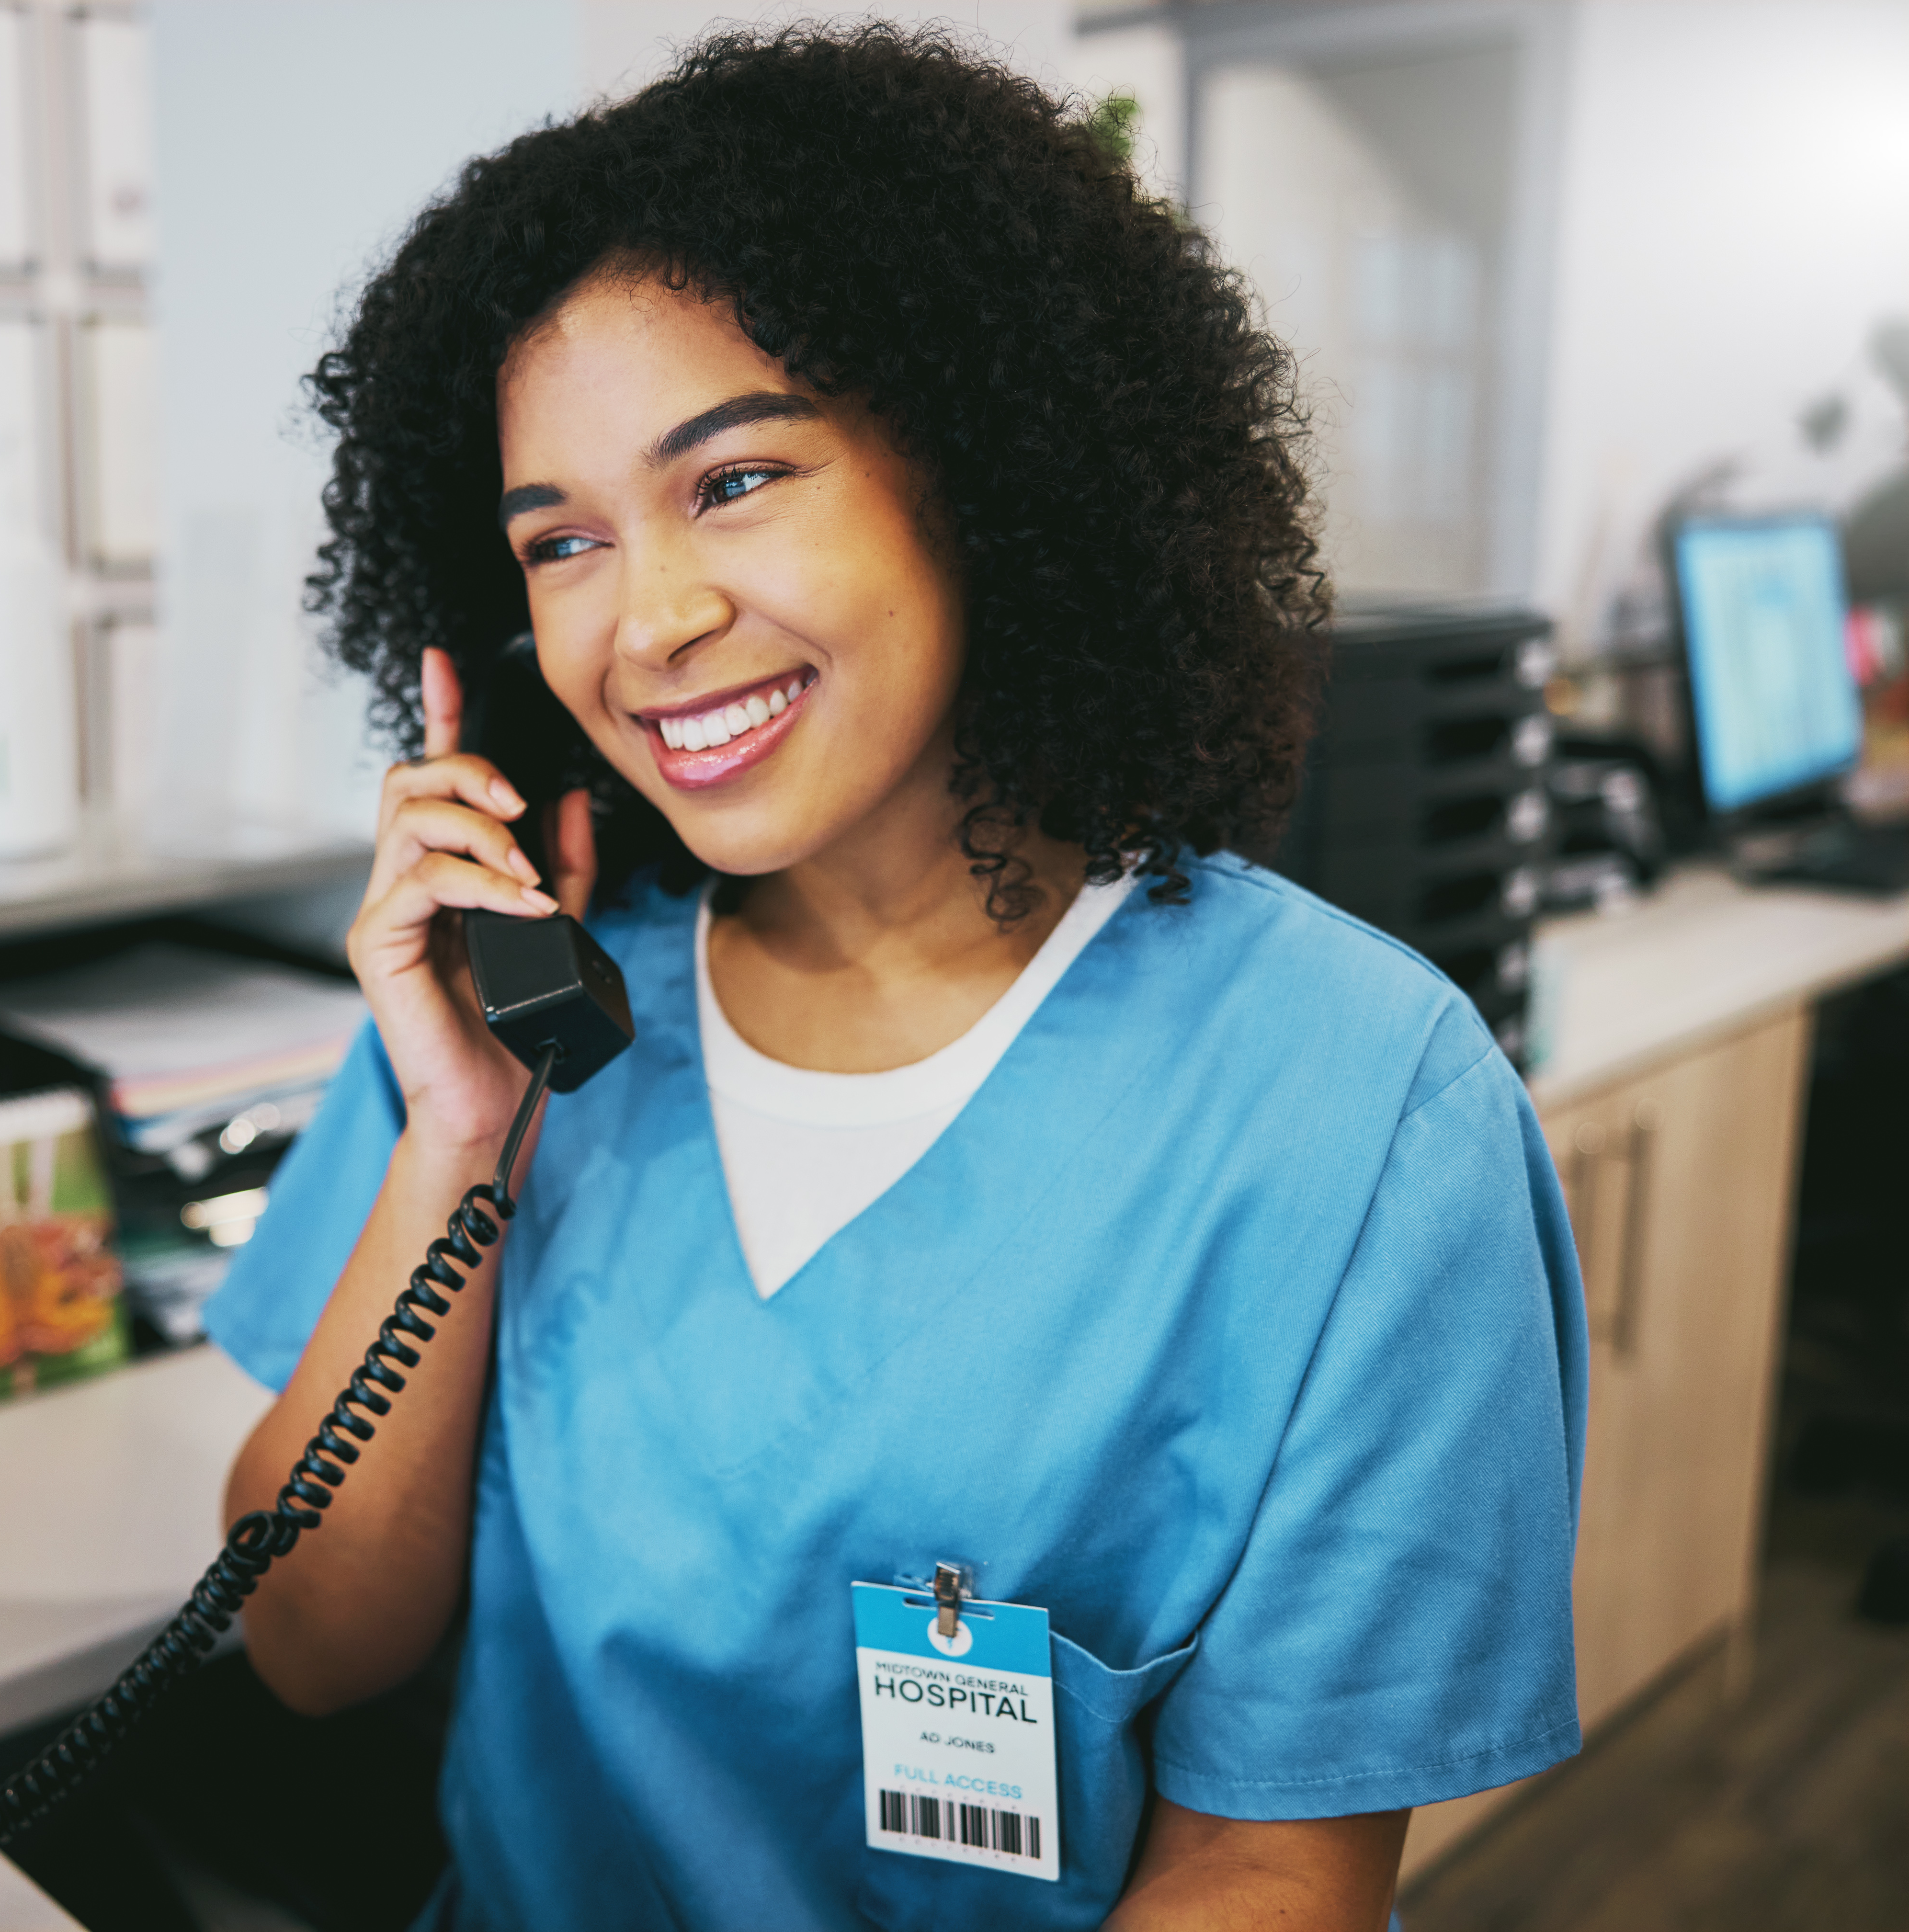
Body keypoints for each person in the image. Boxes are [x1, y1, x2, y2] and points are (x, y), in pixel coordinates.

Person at [205, 24, 1586, 1932]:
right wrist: (457, 1138)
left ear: (980, 467)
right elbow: (304, 1647)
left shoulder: (1362, 1112)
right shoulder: (517, 1024)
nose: (655, 620)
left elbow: (1273, 1868)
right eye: (565, 541)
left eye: (739, 478)